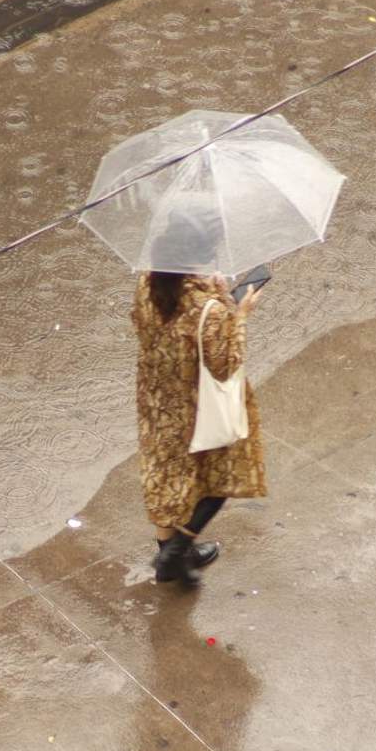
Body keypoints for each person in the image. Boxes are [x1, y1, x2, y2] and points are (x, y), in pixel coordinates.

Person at [130, 206, 267, 588]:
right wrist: (237, 313)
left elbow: (141, 325)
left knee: (165, 474)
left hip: (156, 398)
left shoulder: (147, 282)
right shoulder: (206, 307)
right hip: (197, 405)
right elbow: (225, 364)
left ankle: (168, 551)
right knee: (218, 474)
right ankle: (177, 552)